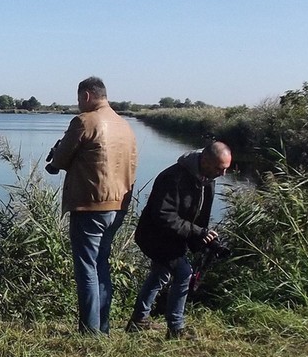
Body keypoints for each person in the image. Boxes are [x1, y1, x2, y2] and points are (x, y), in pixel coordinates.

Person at [45, 77, 137, 334]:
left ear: (86, 96)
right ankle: (103, 327)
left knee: (86, 268)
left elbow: (61, 160)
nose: (77, 105)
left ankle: (90, 331)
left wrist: (55, 160)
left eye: (78, 99)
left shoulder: (85, 121)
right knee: (101, 265)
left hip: (91, 204)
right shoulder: (124, 125)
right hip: (118, 205)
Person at [126, 141, 232, 339]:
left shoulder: (207, 177)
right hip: (155, 235)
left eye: (226, 169)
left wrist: (202, 237)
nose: (223, 174)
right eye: (220, 168)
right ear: (206, 160)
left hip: (175, 236)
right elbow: (163, 215)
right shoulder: (173, 177)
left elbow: (201, 216)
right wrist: (196, 231)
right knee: (184, 274)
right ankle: (175, 329)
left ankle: (139, 320)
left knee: (160, 274)